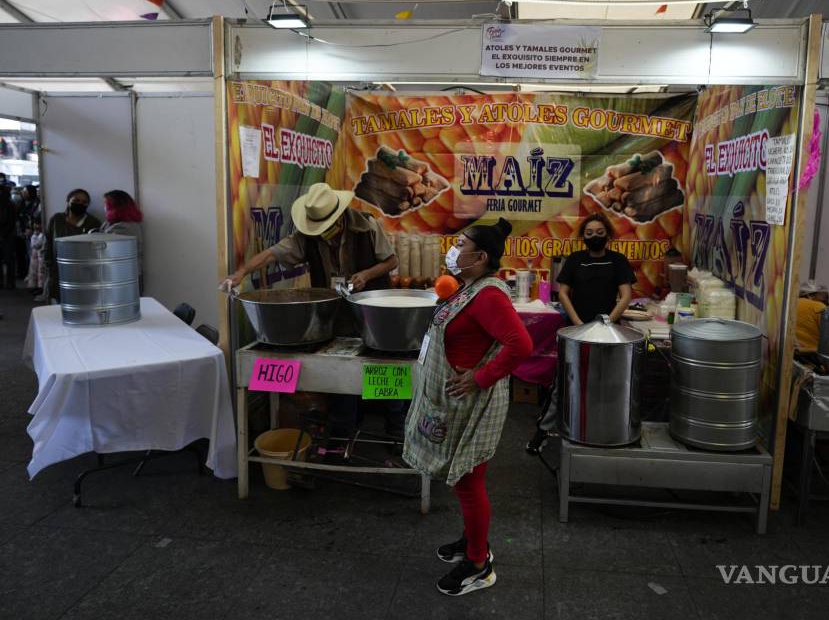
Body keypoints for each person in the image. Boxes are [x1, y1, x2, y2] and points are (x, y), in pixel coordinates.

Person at [403, 217, 532, 596]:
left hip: (471, 402)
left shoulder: (489, 295)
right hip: (453, 400)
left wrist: (480, 377)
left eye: (461, 244)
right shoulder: (470, 287)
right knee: (464, 479)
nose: (453, 249)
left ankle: (478, 564)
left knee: (468, 481)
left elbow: (521, 345)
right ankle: (472, 540)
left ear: (481, 257)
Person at [221, 183, 400, 438]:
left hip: (372, 310)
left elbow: (392, 261)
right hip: (337, 313)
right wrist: (241, 273)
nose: (323, 233)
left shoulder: (368, 226)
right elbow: (272, 254)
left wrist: (366, 275)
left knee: (382, 366)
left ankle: (396, 429)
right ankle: (343, 432)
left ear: (339, 216)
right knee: (341, 371)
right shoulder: (307, 237)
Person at [526, 213, 636, 454]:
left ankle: (601, 430)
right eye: (589, 233)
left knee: (605, 382)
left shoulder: (617, 261)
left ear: (607, 235)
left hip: (608, 333)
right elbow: (563, 293)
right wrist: (578, 325)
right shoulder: (575, 260)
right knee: (563, 382)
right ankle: (542, 431)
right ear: (583, 236)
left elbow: (626, 295)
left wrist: (607, 322)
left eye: (599, 233)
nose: (594, 237)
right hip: (575, 330)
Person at [45, 189, 102, 302]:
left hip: (84, 272)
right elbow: (48, 242)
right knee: (60, 301)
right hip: (59, 270)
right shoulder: (57, 219)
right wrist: (48, 263)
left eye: (84, 202)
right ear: (68, 201)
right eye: (76, 200)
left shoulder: (94, 223)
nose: (80, 204)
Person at [100, 190, 144, 292]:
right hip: (116, 275)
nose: (104, 208)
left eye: (106, 204)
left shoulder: (124, 227)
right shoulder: (109, 223)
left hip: (124, 277)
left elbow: (108, 251)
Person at [796, 281, 829, 352]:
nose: (826, 301)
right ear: (811, 295)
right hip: (810, 352)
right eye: (823, 296)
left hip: (790, 350)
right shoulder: (819, 306)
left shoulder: (791, 303)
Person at [0, 184, 15, 288]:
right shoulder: (9, 204)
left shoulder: (10, 205)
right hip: (7, 235)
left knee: (9, 260)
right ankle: (6, 282)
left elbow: (11, 222)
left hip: (7, 236)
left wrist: (3, 234)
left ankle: (9, 282)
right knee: (8, 260)